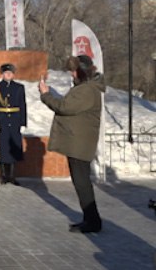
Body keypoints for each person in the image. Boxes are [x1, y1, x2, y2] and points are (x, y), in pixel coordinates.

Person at [39, 55, 105, 233]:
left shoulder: (86, 90)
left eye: (74, 71)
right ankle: (91, 219)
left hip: (79, 144)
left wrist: (45, 95)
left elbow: (65, 107)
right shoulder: (86, 88)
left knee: (82, 182)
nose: (71, 74)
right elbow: (67, 105)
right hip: (78, 141)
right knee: (81, 182)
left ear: (82, 71)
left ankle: (93, 221)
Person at [0, 63, 27, 186]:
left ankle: (12, 176)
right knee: (3, 148)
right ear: (2, 74)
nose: (8, 75)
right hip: (2, 121)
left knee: (14, 148)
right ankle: (3, 176)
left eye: (10, 73)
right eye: (6, 73)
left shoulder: (19, 87)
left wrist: (23, 122)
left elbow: (22, 105)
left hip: (15, 120)